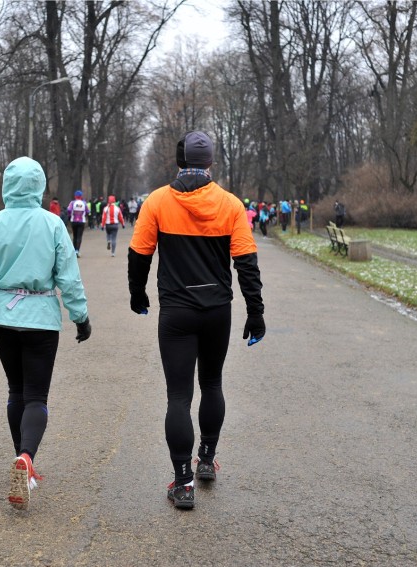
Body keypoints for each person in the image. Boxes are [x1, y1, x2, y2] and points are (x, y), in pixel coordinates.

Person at [127, 131, 265, 510]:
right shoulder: (231, 204)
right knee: (213, 383)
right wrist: (256, 312)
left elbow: (139, 255)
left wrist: (137, 295)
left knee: (178, 395)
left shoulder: (157, 201)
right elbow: (246, 264)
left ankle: (183, 483)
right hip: (217, 309)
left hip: (176, 311)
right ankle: (205, 460)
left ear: (179, 160)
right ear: (210, 164)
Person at [0, 157, 92, 512]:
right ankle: (26, 457)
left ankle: (22, 460)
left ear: (5, 185)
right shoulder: (53, 224)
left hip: (3, 318)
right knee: (36, 396)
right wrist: (80, 316)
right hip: (41, 319)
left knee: (15, 391)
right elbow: (68, 277)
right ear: (39, 186)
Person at [66, 190, 89, 257]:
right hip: (81, 221)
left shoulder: (72, 203)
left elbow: (69, 210)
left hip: (74, 221)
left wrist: (70, 215)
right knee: (79, 236)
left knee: (75, 236)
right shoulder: (84, 203)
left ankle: (74, 250)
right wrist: (85, 215)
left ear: (75, 196)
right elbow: (88, 211)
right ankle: (77, 251)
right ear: (81, 196)